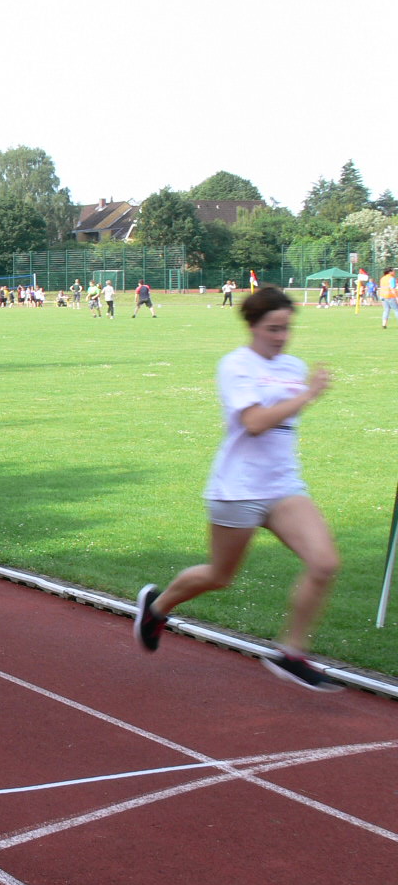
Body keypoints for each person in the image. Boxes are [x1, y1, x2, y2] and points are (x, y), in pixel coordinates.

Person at [134, 287, 341, 691]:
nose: (281, 337)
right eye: (273, 329)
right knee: (220, 575)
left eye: (287, 328)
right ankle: (157, 608)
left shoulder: (294, 366)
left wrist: (303, 393)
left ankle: (292, 654)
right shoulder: (236, 365)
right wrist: (308, 395)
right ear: (253, 326)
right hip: (238, 489)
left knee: (325, 563)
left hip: (283, 486)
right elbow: (255, 423)